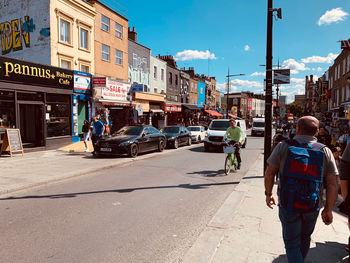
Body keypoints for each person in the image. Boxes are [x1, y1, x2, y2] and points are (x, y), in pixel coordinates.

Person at [264, 116, 338, 263]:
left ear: (297, 128)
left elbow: (269, 173)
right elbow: (332, 184)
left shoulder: (283, 146)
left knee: (291, 243)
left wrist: (268, 194)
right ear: (317, 132)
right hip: (312, 204)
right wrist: (328, 209)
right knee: (305, 238)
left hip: (288, 203)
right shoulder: (325, 151)